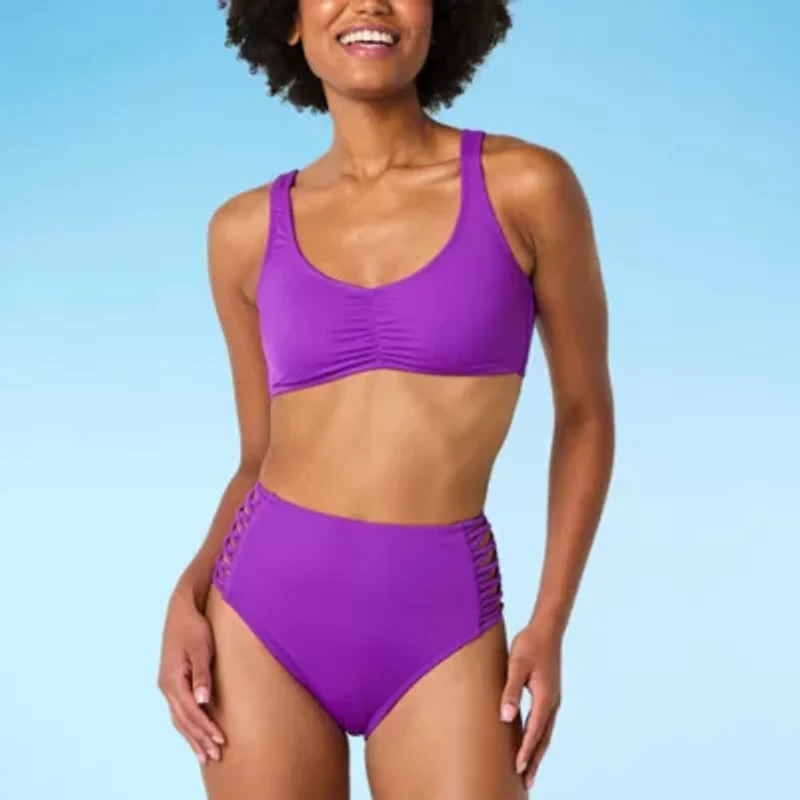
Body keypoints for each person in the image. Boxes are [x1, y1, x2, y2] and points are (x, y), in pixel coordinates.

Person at [157, 1, 614, 797]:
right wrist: (187, 595)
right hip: (261, 615)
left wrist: (550, 622)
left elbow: (585, 415)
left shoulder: (526, 187)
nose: (368, 2)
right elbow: (258, 456)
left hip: (443, 622)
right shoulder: (242, 232)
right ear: (289, 20)